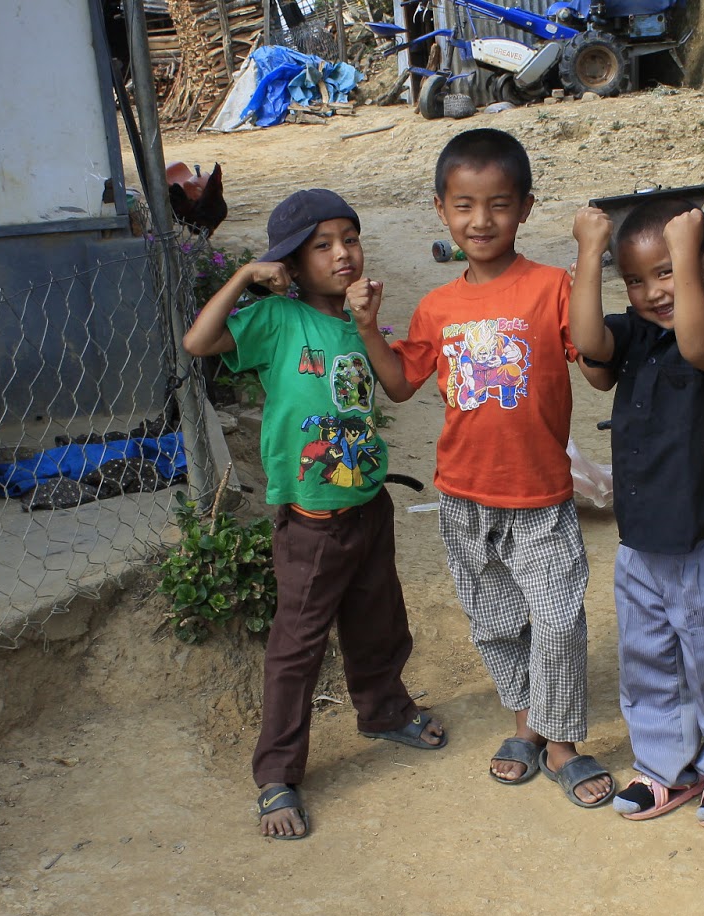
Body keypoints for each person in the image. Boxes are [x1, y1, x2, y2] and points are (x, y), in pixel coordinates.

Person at [346, 128, 615, 809]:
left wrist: (589, 258)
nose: (481, 220)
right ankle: (527, 727)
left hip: (541, 495)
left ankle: (563, 743)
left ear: (525, 207)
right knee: (497, 622)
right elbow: (400, 385)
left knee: (557, 621)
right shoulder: (437, 307)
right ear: (441, 209)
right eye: (464, 205)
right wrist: (370, 328)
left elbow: (596, 362)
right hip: (464, 497)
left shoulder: (552, 288)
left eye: (498, 203)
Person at [183, 188, 446, 841]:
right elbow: (199, 340)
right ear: (291, 264)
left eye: (349, 240)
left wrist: (368, 324)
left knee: (379, 622)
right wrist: (247, 275)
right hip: (311, 522)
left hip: (368, 506)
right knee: (296, 647)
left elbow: (394, 387)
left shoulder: (362, 324)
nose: (342, 254)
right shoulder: (276, 318)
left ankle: (384, 711)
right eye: (322, 246)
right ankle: (276, 774)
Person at [569, 197, 704, 827]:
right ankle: (664, 766)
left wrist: (686, 259)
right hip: (640, 546)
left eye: (667, 272)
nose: (653, 291)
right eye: (636, 279)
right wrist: (589, 253)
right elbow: (588, 344)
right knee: (649, 663)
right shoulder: (633, 337)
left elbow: (697, 345)